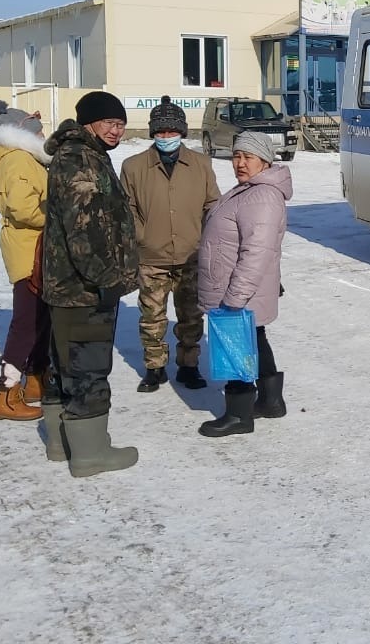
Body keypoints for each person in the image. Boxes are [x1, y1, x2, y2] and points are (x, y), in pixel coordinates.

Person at [40, 91, 140, 477]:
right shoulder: (81, 160)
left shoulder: (83, 154)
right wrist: (108, 280)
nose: (116, 131)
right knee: (87, 369)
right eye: (109, 124)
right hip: (84, 289)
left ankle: (60, 444)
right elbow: (84, 232)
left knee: (64, 364)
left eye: (120, 124)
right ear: (88, 123)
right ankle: (90, 454)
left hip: (68, 287)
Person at [120, 96, 220, 394]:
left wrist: (207, 240)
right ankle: (155, 367)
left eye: (172, 132)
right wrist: (142, 236)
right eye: (160, 132)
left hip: (191, 255)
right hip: (152, 257)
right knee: (152, 317)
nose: (166, 137)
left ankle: (189, 366)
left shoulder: (200, 164)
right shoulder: (134, 166)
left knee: (191, 316)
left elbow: (212, 205)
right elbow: (128, 210)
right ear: (153, 133)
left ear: (182, 132)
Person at [196, 131, 292, 438]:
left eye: (247, 157)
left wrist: (235, 297)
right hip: (238, 285)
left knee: (235, 346)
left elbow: (257, 251)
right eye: (236, 156)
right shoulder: (249, 190)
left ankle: (239, 414)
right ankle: (270, 401)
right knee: (256, 337)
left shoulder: (261, 195)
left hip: (238, 289)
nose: (239, 163)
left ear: (264, 160)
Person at [0, 99, 51, 421]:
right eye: (40, 131)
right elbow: (24, 209)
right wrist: (57, 217)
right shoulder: (20, 160)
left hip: (32, 247)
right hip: (28, 250)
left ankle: (36, 380)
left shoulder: (20, 158)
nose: (44, 135)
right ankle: (5, 392)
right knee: (26, 321)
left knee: (39, 318)